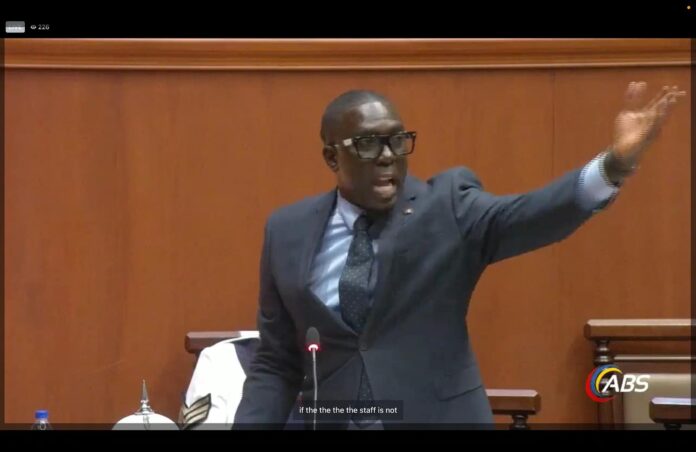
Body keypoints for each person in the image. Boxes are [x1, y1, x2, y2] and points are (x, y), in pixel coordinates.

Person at [233, 82, 685, 429]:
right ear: (332, 158)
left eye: (397, 141)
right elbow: (277, 360)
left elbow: (532, 214)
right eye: (368, 144)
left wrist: (613, 166)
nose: (388, 157)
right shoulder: (287, 230)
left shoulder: (448, 206)